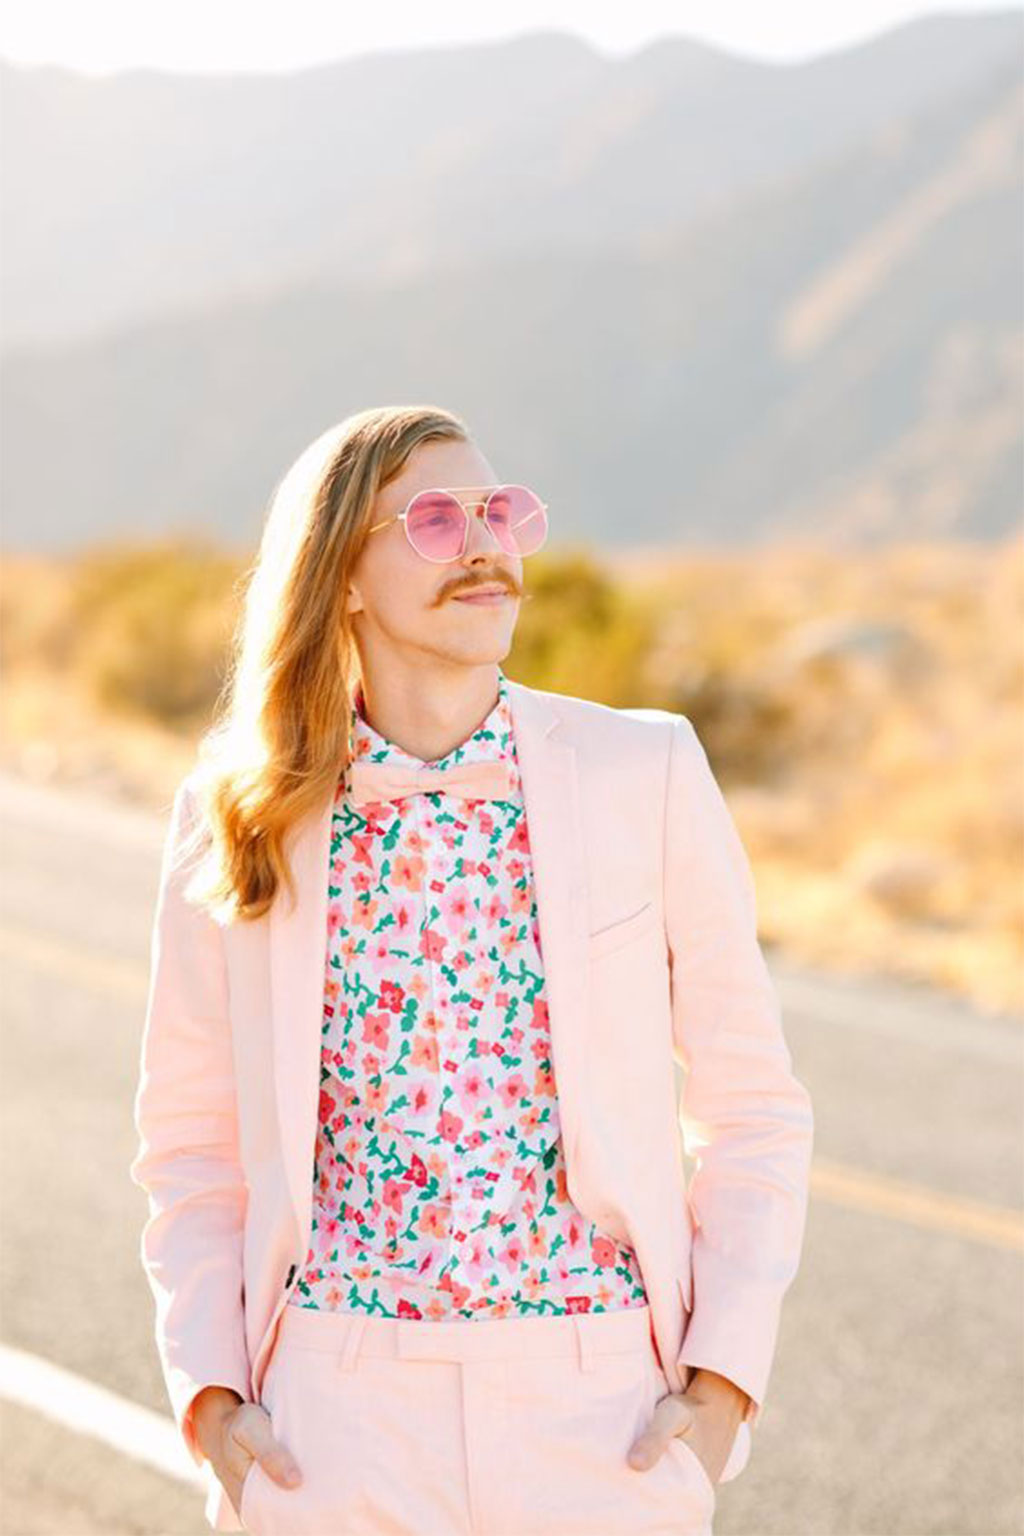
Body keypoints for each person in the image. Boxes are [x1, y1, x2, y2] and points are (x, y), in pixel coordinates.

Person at [130, 403, 814, 1535]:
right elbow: (190, 1145)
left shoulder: (642, 770)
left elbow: (752, 1106)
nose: (488, 545)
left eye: (502, 513)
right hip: (330, 1424)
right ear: (341, 573)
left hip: (599, 1408)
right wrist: (211, 1402)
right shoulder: (238, 811)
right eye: (438, 521)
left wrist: (720, 1390)